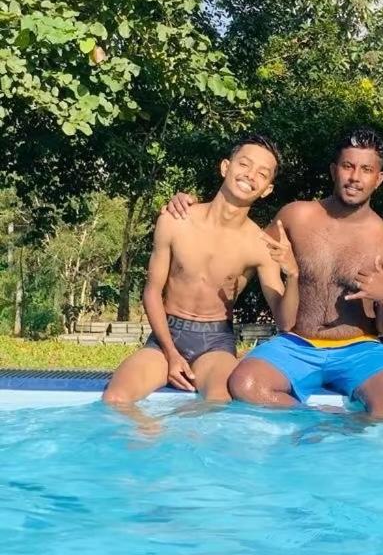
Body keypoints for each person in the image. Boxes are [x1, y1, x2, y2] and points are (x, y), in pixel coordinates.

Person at [164, 128, 383, 418]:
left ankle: (334, 431)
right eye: (348, 166)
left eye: (366, 170)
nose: (355, 177)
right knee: (246, 384)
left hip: (360, 349)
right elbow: (241, 242)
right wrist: (192, 208)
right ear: (334, 170)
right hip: (296, 345)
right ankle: (320, 423)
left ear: (378, 178)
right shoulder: (296, 216)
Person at [102, 134, 299, 414]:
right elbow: (152, 292)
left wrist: (293, 275)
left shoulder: (261, 245)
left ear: (267, 189)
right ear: (225, 167)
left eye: (262, 173)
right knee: (115, 400)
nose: (250, 175)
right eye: (244, 164)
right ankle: (154, 445)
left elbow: (285, 321)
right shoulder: (175, 220)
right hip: (166, 336)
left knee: (218, 403)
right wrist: (171, 354)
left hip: (216, 342)